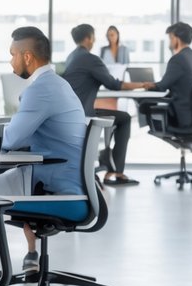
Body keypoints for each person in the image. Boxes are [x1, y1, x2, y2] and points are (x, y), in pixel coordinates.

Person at [0, 26, 87, 273]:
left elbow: (11, 139)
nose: (10, 60)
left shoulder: (41, 89)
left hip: (57, 188)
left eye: (13, 54)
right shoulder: (57, 84)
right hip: (64, 180)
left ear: (27, 57)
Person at [63, 23, 147, 186]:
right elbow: (114, 84)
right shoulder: (91, 59)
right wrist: (143, 84)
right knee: (124, 119)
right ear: (89, 38)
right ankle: (116, 171)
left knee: (117, 117)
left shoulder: (72, 56)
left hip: (72, 111)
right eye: (93, 36)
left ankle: (109, 164)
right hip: (83, 113)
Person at [141, 21, 192, 128]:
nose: (169, 42)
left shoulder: (178, 60)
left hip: (182, 118)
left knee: (144, 104)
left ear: (176, 39)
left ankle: (152, 128)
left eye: (170, 38)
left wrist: (146, 86)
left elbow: (161, 87)